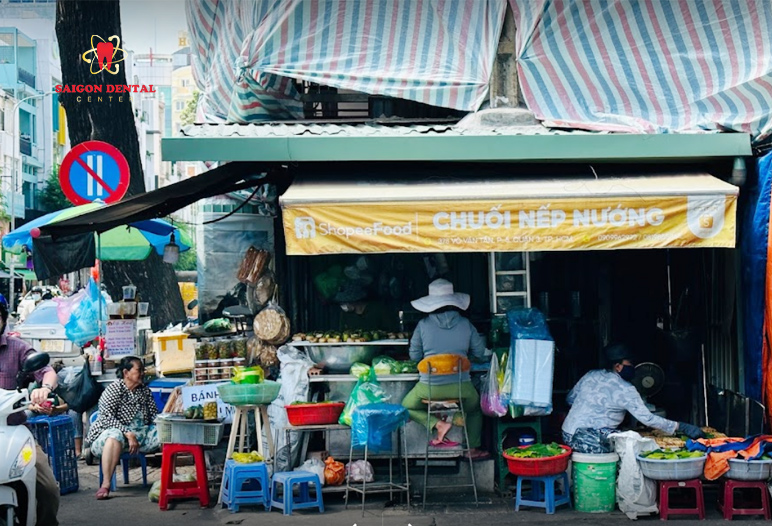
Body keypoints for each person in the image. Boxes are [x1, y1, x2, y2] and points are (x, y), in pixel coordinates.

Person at [562, 342, 705, 454]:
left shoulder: (591, 375)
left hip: (567, 433)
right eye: (630, 364)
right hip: (586, 440)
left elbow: (570, 399)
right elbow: (647, 419)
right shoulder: (625, 389)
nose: (634, 367)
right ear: (618, 366)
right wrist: (680, 426)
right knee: (633, 448)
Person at [401, 279, 489, 459]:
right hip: (461, 389)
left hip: (428, 389)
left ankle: (437, 423)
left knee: (405, 407)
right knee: (474, 409)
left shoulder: (423, 325)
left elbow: (414, 357)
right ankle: (471, 448)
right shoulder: (466, 324)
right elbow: (480, 353)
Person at [0, 293, 60, 526]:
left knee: (47, 488)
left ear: (4, 319)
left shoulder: (17, 348)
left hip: (14, 431)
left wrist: (44, 389)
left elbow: (47, 370)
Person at [86, 356, 160, 500]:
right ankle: (105, 484)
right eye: (139, 370)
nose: (143, 373)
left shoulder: (144, 391)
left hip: (141, 438)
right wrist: (127, 433)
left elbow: (153, 416)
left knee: (167, 433)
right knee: (115, 435)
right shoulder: (114, 389)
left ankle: (171, 478)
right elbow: (106, 417)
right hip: (108, 436)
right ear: (126, 373)